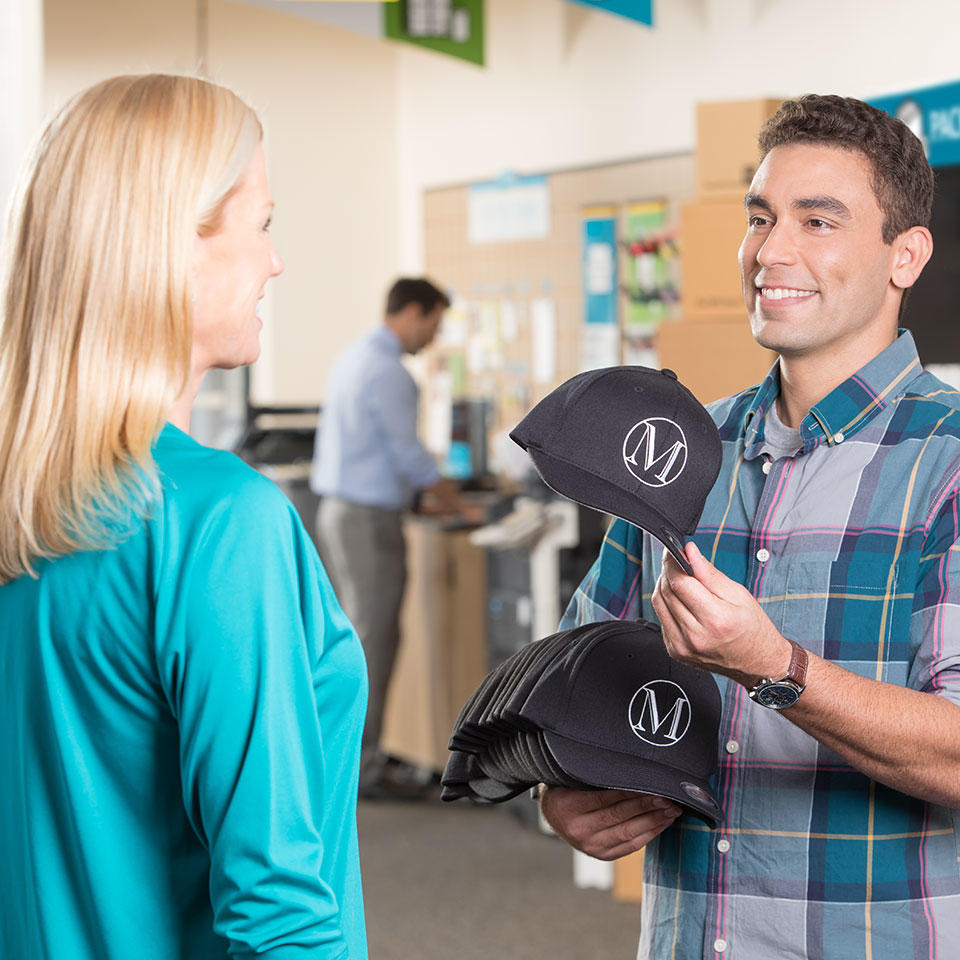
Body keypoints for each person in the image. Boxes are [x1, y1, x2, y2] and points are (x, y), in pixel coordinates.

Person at [541, 95, 960, 959]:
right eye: (761, 217)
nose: (772, 251)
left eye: (819, 220)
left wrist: (776, 668)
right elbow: (578, 685)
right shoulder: (675, 452)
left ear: (904, 256)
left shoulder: (947, 465)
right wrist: (566, 794)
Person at [0, 74, 368, 959]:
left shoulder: (22, 504)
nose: (275, 261)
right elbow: (279, 910)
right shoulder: (217, 520)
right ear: (179, 242)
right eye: (263, 224)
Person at [311, 277, 480, 799]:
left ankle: (344, 763)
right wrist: (458, 503)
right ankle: (360, 770)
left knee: (355, 638)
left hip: (340, 512)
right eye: (432, 323)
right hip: (366, 522)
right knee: (372, 643)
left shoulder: (355, 356)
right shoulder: (390, 372)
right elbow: (409, 454)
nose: (432, 337)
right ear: (411, 312)